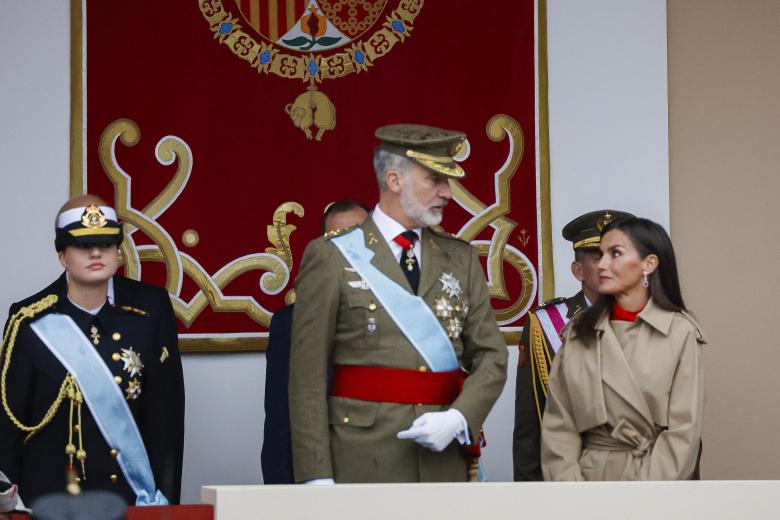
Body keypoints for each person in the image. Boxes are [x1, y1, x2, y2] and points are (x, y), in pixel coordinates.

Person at [288, 124, 508, 484]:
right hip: (362, 460)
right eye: (435, 180)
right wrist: (316, 476)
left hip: (443, 463)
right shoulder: (332, 256)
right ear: (395, 180)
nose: (447, 193)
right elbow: (306, 377)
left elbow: (492, 357)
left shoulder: (460, 258)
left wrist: (458, 418)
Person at [0, 195, 184, 506]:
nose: (96, 252)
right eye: (83, 245)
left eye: (106, 243)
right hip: (49, 501)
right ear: (62, 255)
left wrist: (164, 502)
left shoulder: (151, 310)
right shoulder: (29, 319)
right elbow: (8, 426)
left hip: (129, 499)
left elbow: (165, 418)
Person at [541, 216, 705, 480]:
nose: (602, 264)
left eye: (614, 254)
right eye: (600, 255)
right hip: (587, 491)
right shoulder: (578, 332)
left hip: (655, 489)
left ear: (648, 264)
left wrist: (641, 501)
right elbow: (559, 429)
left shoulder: (680, 333)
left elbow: (683, 434)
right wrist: (573, 497)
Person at [513, 210, 633, 480]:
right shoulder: (545, 325)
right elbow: (530, 427)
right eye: (598, 257)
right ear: (578, 270)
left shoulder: (654, 321)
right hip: (572, 480)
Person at [261, 199, 369, 484]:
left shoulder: (408, 312)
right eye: (338, 242)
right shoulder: (292, 323)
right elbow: (280, 426)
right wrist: (282, 501)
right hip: (323, 483)